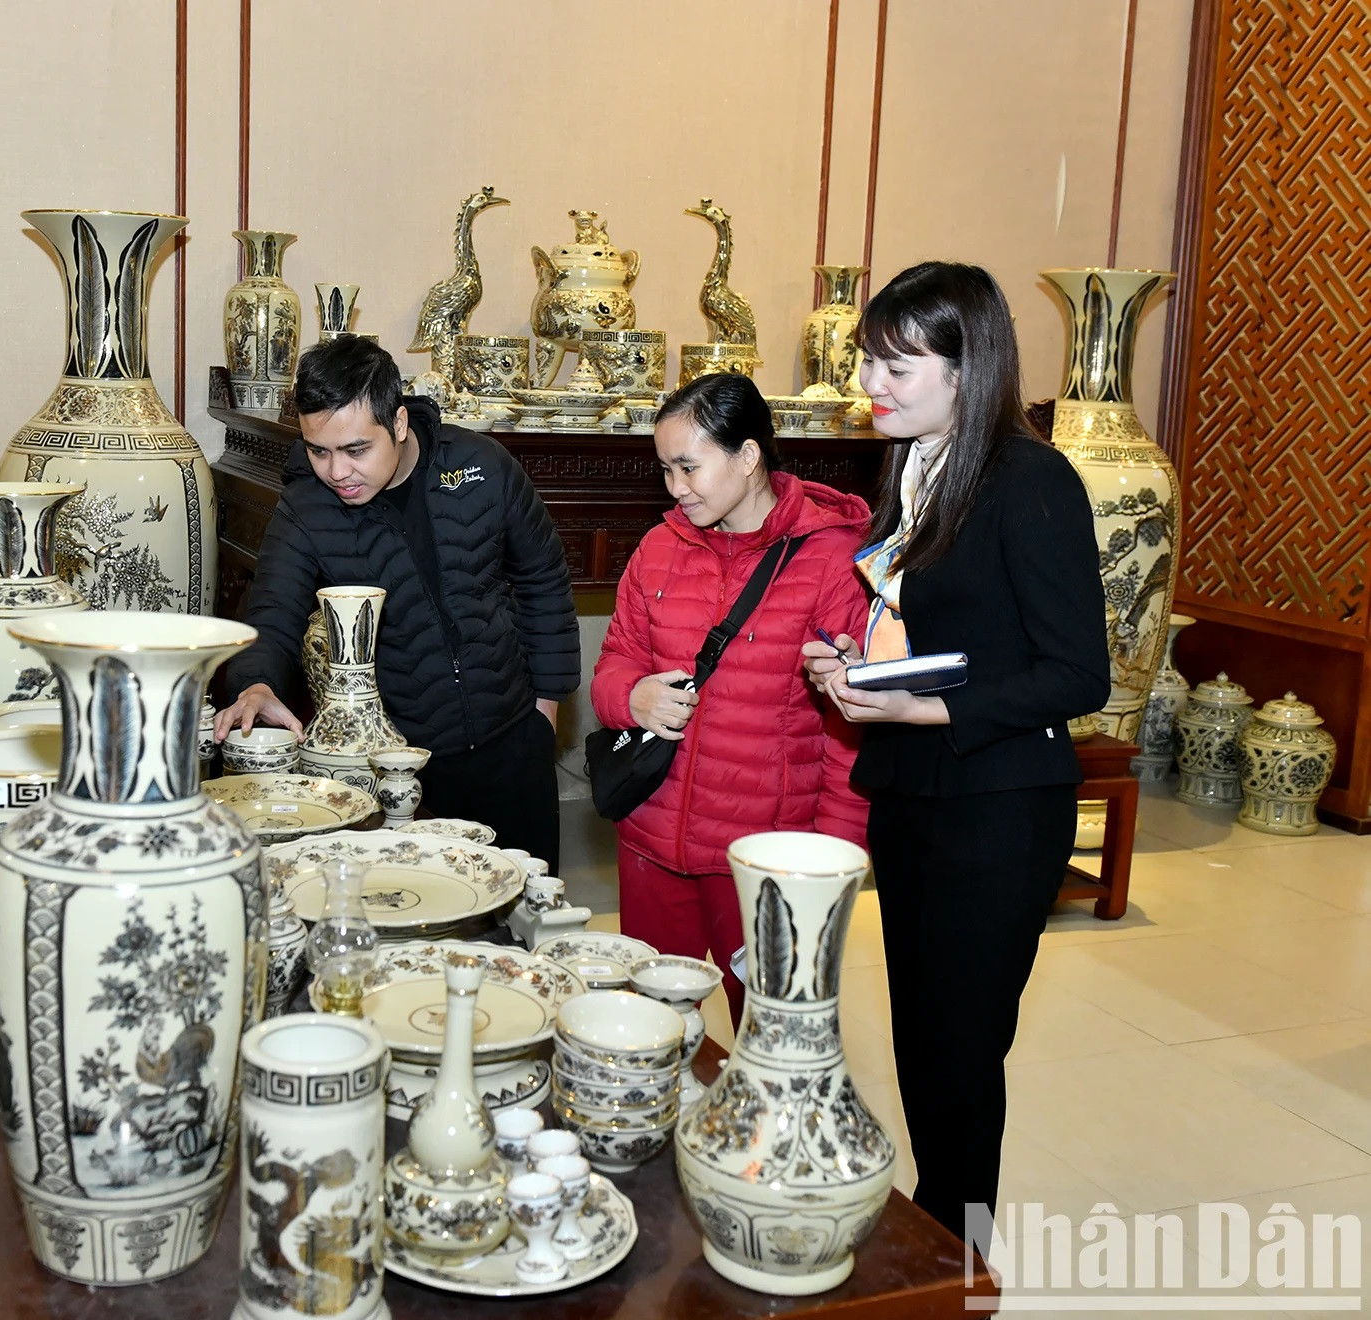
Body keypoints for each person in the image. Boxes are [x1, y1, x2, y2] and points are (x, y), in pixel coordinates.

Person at [799, 261, 1108, 1238]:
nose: (872, 388)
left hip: (1001, 806)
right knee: (925, 1040)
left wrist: (914, 709)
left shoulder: (1031, 479)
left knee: (962, 1053)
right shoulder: (920, 466)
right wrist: (864, 669)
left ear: (968, 368)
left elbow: (1075, 676)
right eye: (869, 365)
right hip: (916, 794)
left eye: (897, 367)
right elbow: (953, 637)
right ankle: (938, 1243)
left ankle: (962, 1266)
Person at [215, 336, 579, 869]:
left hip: (514, 740)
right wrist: (255, 681)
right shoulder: (307, 507)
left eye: (356, 450)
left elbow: (544, 578)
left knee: (526, 912)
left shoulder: (481, 465)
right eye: (319, 450)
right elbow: (272, 608)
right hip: (403, 764)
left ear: (400, 423)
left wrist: (545, 712)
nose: (337, 472)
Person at [590, 373, 869, 1025]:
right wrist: (631, 698)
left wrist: (833, 861)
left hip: (764, 855)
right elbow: (613, 666)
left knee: (775, 1031)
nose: (675, 488)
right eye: (665, 470)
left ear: (747, 457)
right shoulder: (660, 548)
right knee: (655, 1028)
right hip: (652, 834)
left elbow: (850, 730)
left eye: (689, 467)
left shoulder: (830, 563)